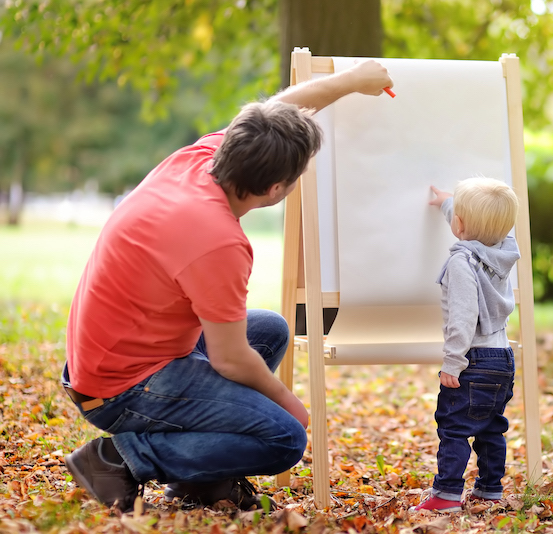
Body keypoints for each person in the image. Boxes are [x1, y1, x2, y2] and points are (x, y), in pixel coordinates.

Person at [61, 60, 394, 513]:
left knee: (270, 330)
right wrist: (286, 398)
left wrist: (352, 82)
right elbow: (231, 359)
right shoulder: (217, 240)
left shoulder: (201, 160)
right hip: (119, 387)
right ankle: (119, 460)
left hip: (116, 353)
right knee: (284, 437)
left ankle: (201, 480)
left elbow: (277, 110)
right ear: (276, 188)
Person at [411, 177, 520, 513]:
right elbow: (476, 225)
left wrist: (453, 363)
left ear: (459, 224)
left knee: (454, 428)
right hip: (502, 357)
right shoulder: (503, 249)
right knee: (490, 426)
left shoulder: (462, 263)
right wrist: (448, 204)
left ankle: (446, 494)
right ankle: (489, 489)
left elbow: (462, 317)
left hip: (473, 359)